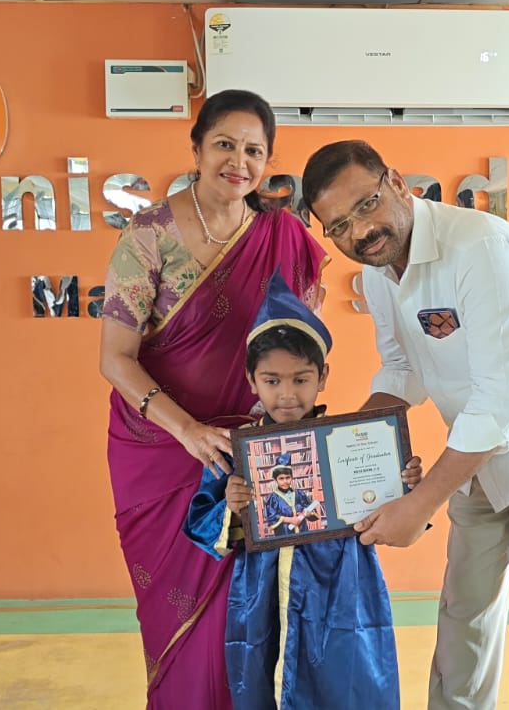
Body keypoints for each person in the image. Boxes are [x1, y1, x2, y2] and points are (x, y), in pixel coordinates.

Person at [300, 140, 509, 710]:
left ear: (395, 182)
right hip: (472, 455)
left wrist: (419, 504)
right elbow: (401, 369)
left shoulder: (481, 248)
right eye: (338, 226)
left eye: (366, 205)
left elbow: (498, 402)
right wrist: (342, 453)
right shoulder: (378, 273)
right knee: (463, 611)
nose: (360, 231)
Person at [96, 90, 327, 709]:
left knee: (250, 618)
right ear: (196, 147)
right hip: (161, 452)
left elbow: (302, 348)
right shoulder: (148, 235)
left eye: (254, 151)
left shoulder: (283, 235)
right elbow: (115, 358)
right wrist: (190, 432)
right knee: (177, 622)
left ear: (268, 161)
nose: (238, 162)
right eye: (225, 144)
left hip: (249, 453)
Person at [182, 273, 423, 710]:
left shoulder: (352, 445)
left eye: (300, 379)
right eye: (272, 381)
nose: (287, 395)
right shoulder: (237, 453)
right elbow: (200, 525)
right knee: (263, 683)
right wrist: (232, 508)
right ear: (251, 380)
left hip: (343, 589)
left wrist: (405, 487)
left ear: (322, 376)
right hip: (261, 596)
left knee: (346, 683)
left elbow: (398, 518)